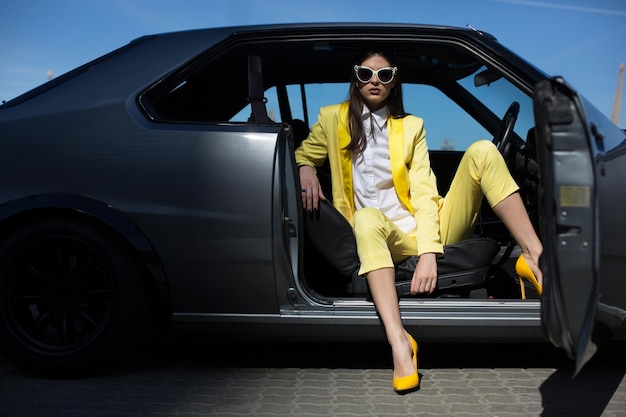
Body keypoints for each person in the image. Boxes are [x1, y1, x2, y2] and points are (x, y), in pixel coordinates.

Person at [294, 51, 543, 393]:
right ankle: (400, 344)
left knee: (484, 150)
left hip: (427, 228)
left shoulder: (412, 127)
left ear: (394, 79)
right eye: (366, 74)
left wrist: (428, 252)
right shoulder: (332, 118)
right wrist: (305, 167)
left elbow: (425, 193)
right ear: (356, 77)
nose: (374, 82)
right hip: (381, 235)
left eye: (384, 75)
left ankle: (533, 256)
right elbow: (303, 152)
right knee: (366, 217)